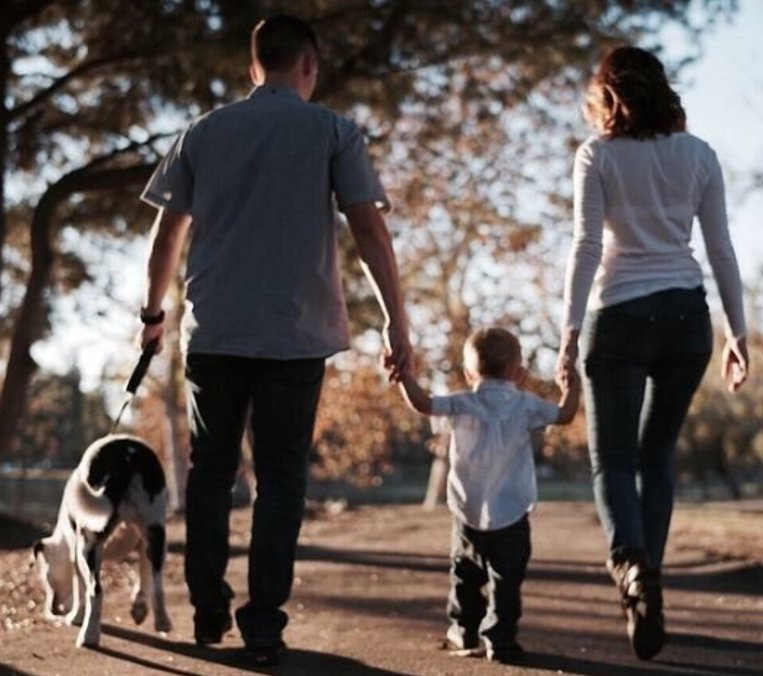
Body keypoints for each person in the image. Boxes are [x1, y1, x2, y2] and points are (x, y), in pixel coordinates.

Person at [137, 15, 411, 666]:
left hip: (216, 331)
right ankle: (263, 625)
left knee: (210, 471)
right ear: (308, 66)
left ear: (253, 68)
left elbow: (167, 235)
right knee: (281, 480)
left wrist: (153, 313)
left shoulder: (202, 131)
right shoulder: (333, 131)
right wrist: (396, 320)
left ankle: (208, 607)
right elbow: (369, 230)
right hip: (297, 332)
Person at [556, 46, 749, 661]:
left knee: (613, 460)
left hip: (617, 318)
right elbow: (720, 249)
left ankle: (633, 569)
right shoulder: (699, 155)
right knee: (656, 456)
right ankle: (648, 582)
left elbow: (587, 246)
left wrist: (567, 332)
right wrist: (737, 333)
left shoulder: (597, 155)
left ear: (607, 96)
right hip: (686, 320)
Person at [393, 327, 580, 664]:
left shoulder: (460, 403)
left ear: (468, 373)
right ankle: (500, 639)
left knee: (464, 574)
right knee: (507, 580)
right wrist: (572, 384)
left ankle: (464, 629)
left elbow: (422, 403)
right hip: (512, 512)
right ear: (519, 373)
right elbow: (565, 414)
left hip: (468, 511)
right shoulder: (527, 404)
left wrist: (405, 376)